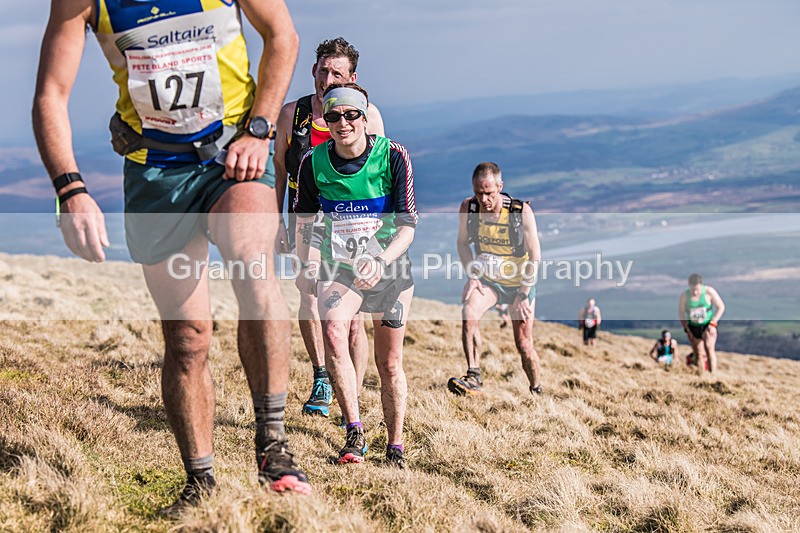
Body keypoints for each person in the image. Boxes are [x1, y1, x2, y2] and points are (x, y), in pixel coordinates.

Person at [33, 0, 311, 515]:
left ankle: (273, 447)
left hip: (233, 156)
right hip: (154, 174)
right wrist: (70, 191)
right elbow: (51, 95)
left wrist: (260, 128)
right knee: (187, 337)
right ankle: (200, 484)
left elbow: (283, 36)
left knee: (253, 267)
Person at [293, 83, 417, 468]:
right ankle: (354, 430)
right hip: (340, 265)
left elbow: (408, 225)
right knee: (333, 330)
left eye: (350, 115)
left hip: (390, 268)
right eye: (333, 116)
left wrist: (379, 260)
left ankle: (394, 445)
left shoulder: (393, 155)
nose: (342, 123)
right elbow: (306, 221)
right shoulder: (313, 161)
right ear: (324, 121)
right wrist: (307, 264)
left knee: (389, 362)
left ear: (364, 117)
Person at [273, 38, 384, 419]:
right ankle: (322, 377)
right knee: (309, 297)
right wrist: (278, 222)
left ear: (352, 77)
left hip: (352, 222)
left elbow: (380, 173)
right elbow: (280, 170)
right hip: (306, 219)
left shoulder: (368, 113)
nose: (327, 78)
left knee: (352, 320)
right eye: (322, 70)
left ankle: (350, 392)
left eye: (337, 72)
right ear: (313, 72)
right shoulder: (293, 113)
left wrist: (382, 236)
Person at [448, 162, 543, 396]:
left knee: (523, 344)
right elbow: (462, 243)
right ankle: (474, 376)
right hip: (489, 280)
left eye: (489, 192)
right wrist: (472, 275)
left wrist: (522, 294)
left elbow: (535, 256)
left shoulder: (520, 212)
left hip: (519, 283)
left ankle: (536, 388)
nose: (484, 199)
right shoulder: (469, 208)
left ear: (500, 187)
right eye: (478, 192)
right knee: (469, 312)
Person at [679, 274, 725, 373]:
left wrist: (713, 323)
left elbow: (721, 307)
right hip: (693, 326)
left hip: (707, 325)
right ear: (689, 285)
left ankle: (712, 374)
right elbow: (681, 314)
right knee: (698, 353)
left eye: (697, 290)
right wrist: (687, 329)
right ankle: (701, 375)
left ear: (701, 285)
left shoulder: (709, 291)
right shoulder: (684, 296)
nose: (695, 292)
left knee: (709, 348)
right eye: (693, 290)